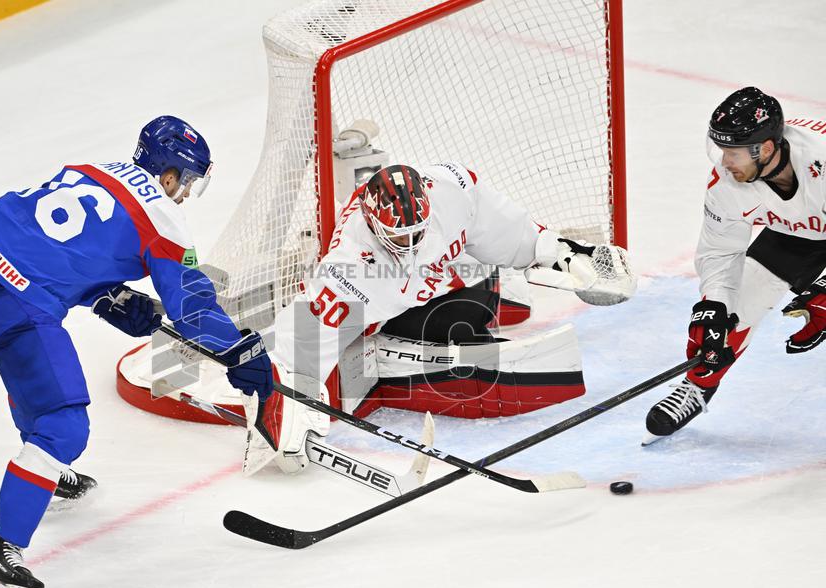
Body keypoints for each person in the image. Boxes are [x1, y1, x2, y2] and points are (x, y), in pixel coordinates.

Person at [0, 116, 273, 588]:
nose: (184, 195)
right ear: (168, 176)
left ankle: (43, 473)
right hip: (12, 297)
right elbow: (194, 309)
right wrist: (242, 351)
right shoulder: (164, 216)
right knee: (64, 425)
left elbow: (61, 244)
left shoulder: (96, 171)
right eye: (187, 183)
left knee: (36, 380)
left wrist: (107, 296)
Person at [241, 162, 635, 474]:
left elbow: (513, 232)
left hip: (448, 283)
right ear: (373, 226)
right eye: (400, 237)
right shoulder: (349, 268)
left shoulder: (452, 190)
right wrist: (283, 403)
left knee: (475, 301)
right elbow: (300, 345)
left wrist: (566, 254)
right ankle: (396, 353)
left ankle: (495, 288)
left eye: (418, 232)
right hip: (393, 313)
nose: (411, 245)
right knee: (449, 326)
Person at [644, 87, 826, 443]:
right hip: (798, 234)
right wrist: (713, 305)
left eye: (733, 152)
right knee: (733, 312)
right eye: (721, 149)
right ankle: (698, 386)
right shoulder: (726, 184)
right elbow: (720, 252)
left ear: (767, 148)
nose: (724, 162)